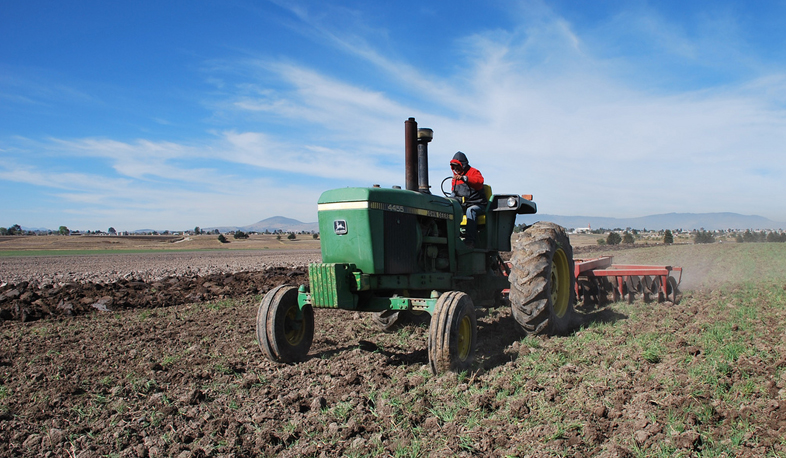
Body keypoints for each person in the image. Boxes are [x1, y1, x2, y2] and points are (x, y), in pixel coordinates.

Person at [450, 151, 486, 249]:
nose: (456, 169)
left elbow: (479, 182)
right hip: (463, 205)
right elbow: (454, 193)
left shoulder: (474, 172)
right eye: (454, 167)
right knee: (450, 209)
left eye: (457, 166)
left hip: (478, 204)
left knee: (471, 210)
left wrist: (465, 178)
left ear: (463, 165)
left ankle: (470, 241)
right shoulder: (454, 179)